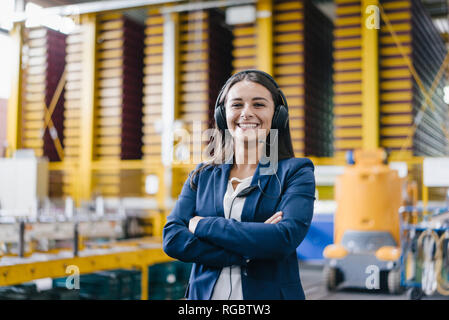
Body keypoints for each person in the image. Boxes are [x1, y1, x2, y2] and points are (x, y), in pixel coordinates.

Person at [163, 69, 316, 300]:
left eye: (258, 105)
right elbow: (173, 239)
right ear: (223, 115)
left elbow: (283, 238)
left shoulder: (295, 172)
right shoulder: (202, 175)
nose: (246, 113)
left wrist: (204, 225)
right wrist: (248, 250)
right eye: (237, 105)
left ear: (277, 116)